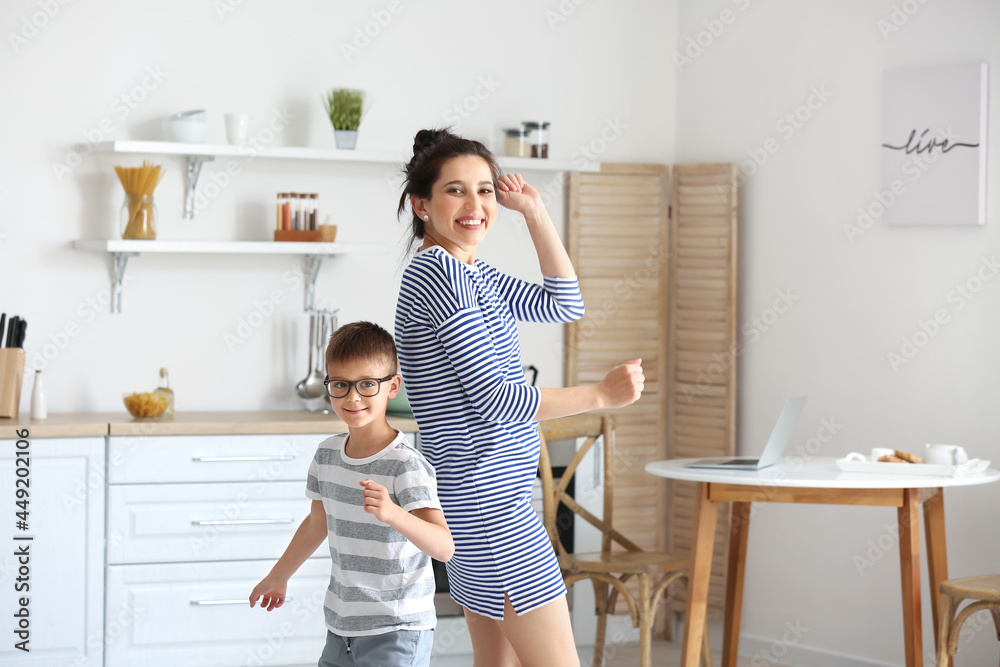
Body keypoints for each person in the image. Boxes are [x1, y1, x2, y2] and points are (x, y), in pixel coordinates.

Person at [394, 128, 644, 667]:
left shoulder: (469, 273)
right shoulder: (442, 275)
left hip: (478, 499)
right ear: (422, 204)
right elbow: (495, 400)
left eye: (485, 190)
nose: (476, 205)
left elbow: (566, 302)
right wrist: (600, 394)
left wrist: (534, 211)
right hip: (490, 508)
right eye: (456, 191)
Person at [249, 321, 454, 667]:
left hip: (397, 629)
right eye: (340, 385)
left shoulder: (406, 465)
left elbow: (444, 547)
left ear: (393, 387)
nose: (352, 397)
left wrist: (394, 514)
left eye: (367, 384)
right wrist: (278, 576)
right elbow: (317, 525)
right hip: (341, 626)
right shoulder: (327, 455)